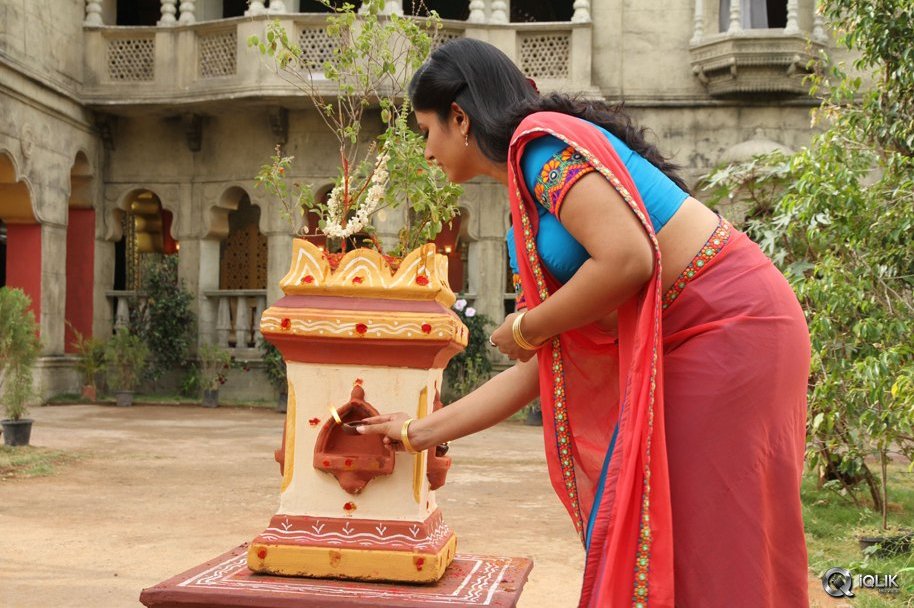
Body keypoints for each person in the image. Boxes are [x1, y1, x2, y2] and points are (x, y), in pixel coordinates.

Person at [357, 38, 810, 607]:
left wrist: (526, 328)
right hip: (695, 334)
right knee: (668, 529)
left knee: (704, 533)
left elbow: (627, 260)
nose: (426, 152)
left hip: (730, 323)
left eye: (426, 132)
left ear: (460, 117)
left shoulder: (540, 148)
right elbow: (546, 364)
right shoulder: (524, 209)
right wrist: (420, 432)